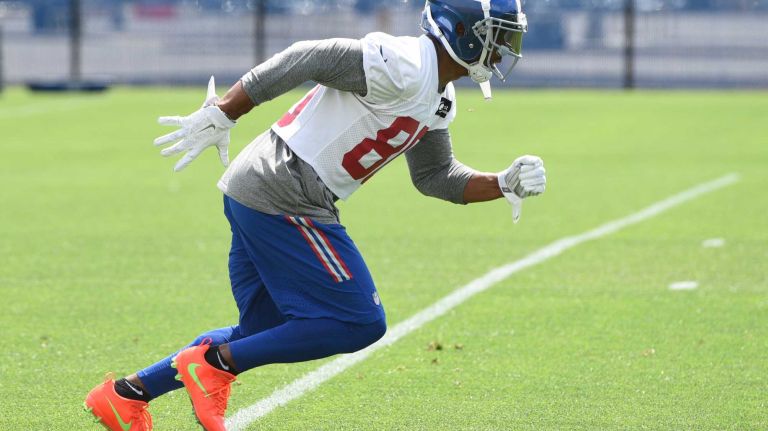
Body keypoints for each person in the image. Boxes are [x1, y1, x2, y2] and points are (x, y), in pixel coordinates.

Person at [83, 0, 546, 430]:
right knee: (360, 321)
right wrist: (227, 111)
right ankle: (213, 366)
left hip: (261, 187)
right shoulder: (407, 63)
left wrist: (502, 183)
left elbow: (435, 175)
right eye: (498, 35)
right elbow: (308, 56)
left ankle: (126, 395)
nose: (505, 48)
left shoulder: (439, 95)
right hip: (287, 189)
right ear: (462, 31)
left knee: (263, 331)